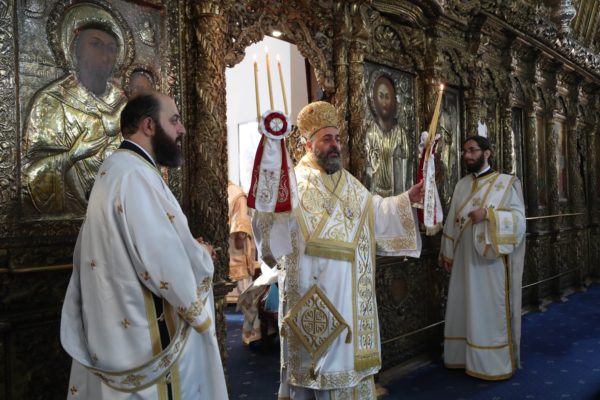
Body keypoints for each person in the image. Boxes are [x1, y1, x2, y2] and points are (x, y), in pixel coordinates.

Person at [60, 92, 228, 399]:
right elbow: (162, 262)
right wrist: (202, 257)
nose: (181, 129)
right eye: (174, 120)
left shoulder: (117, 168)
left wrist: (186, 247)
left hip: (117, 335)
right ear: (149, 126)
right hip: (143, 339)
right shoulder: (136, 174)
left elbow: (139, 243)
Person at [252, 101, 424, 399]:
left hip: (351, 300)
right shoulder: (293, 184)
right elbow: (268, 233)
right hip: (313, 298)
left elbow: (374, 211)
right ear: (309, 144)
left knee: (351, 371)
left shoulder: (350, 184)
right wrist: (268, 197)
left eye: (337, 138)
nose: (335, 145)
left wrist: (406, 199)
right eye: (326, 139)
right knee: (314, 374)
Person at [440, 135, 526, 380]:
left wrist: (488, 215)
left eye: (472, 150)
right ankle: (462, 357)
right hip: (463, 261)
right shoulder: (461, 185)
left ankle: (491, 363)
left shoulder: (505, 184)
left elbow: (519, 222)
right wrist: (447, 253)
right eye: (465, 151)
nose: (467, 155)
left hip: (489, 262)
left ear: (487, 153)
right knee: (463, 306)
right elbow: (452, 221)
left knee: (487, 310)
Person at [23, 15, 128, 216]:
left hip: (118, 210)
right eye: (96, 45)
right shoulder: (51, 101)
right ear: (75, 50)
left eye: (112, 48)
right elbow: (30, 171)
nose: (106, 55)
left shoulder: (123, 102)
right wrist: (72, 155)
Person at [226, 181, 262, 344]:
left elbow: (241, 219)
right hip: (231, 244)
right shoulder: (233, 192)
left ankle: (253, 328)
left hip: (235, 245)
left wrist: (240, 235)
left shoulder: (236, 193)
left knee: (245, 288)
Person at [366, 74, 410, 197]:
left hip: (397, 196)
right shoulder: (370, 133)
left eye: (387, 97)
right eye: (380, 96)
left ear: (394, 101)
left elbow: (405, 167)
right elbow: (367, 168)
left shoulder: (400, 133)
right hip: (374, 196)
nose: (384, 102)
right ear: (373, 99)